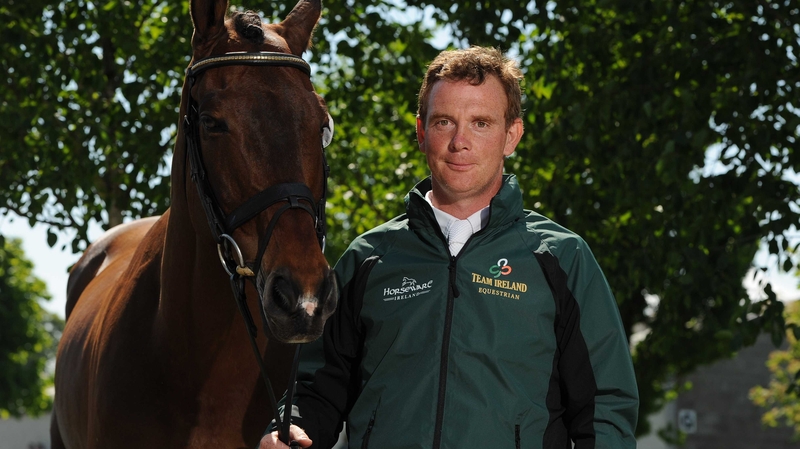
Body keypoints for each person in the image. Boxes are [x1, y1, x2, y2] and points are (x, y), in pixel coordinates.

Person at [259, 46, 639, 449]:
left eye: (480, 123)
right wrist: (290, 430)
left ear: (511, 135)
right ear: (422, 132)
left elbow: (604, 408)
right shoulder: (368, 257)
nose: (460, 142)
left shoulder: (562, 257)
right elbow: (316, 387)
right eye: (444, 122)